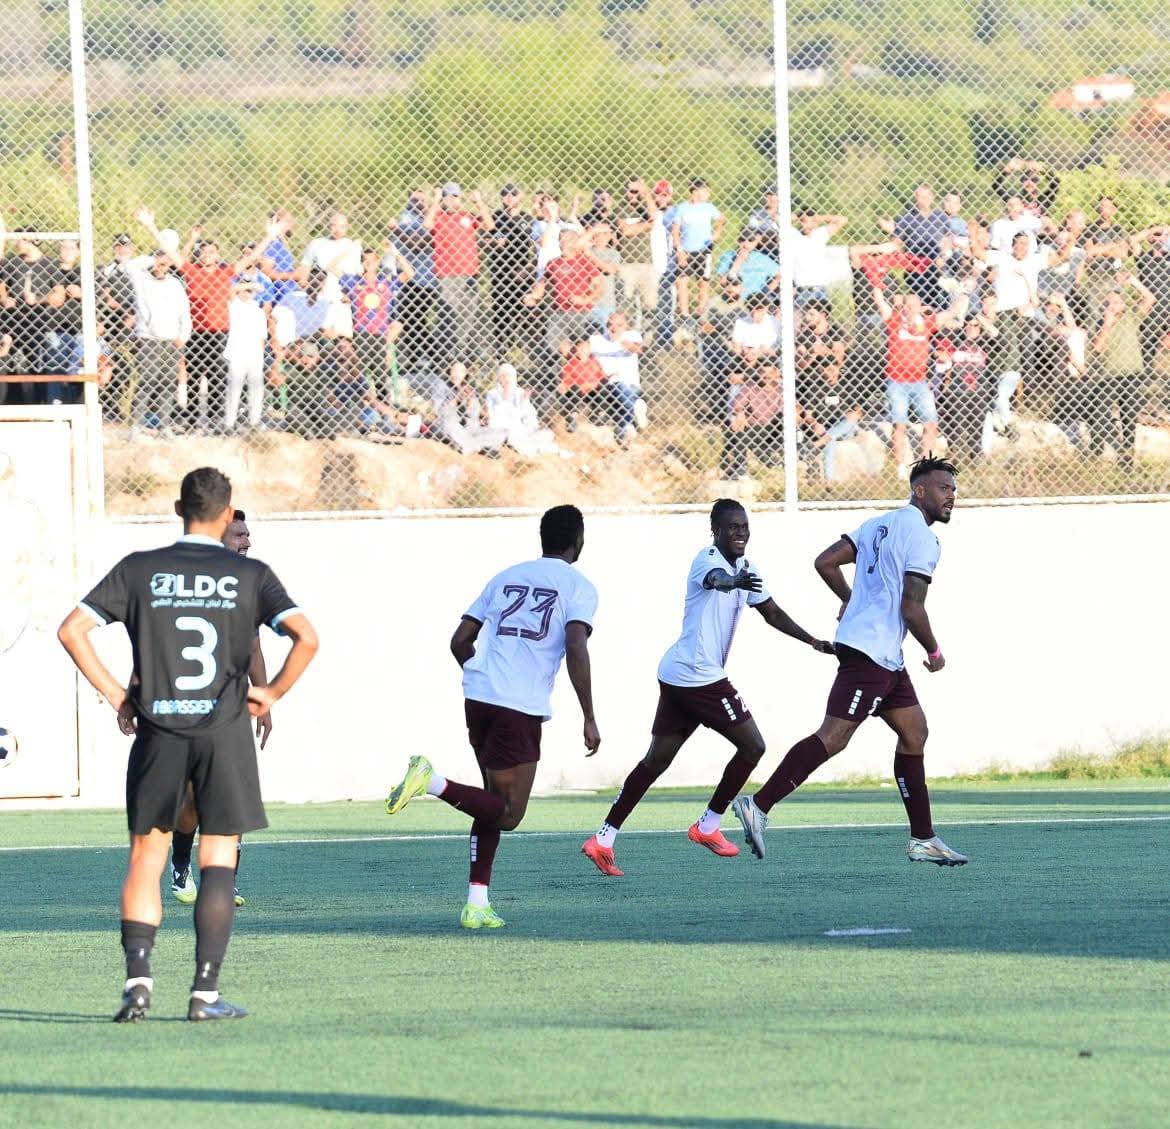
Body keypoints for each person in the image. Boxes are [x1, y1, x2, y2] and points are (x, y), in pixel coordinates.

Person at [57, 467, 318, 1021]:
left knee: (145, 856)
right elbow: (307, 637)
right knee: (218, 859)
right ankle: (204, 994)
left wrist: (117, 696)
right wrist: (270, 692)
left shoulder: (139, 568)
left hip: (160, 732)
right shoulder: (249, 574)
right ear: (227, 514)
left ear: (179, 509)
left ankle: (138, 983)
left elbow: (71, 630)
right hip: (224, 734)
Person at [731, 456, 968, 868]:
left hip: (883, 656)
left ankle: (923, 838)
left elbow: (825, 561)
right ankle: (759, 805)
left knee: (914, 732)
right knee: (834, 736)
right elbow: (912, 608)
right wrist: (934, 650)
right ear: (919, 490)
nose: (952, 496)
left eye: (953, 489)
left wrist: (851, 600)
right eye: (943, 488)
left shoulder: (878, 524)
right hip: (869, 654)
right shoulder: (924, 539)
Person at [581, 500, 834, 877]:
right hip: (699, 677)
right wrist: (733, 582)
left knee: (656, 761)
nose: (740, 532)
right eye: (732, 527)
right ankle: (708, 825)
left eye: (744, 526)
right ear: (715, 530)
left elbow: (772, 613)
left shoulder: (748, 569)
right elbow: (716, 580)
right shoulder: (707, 559)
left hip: (678, 674)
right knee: (753, 746)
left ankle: (603, 839)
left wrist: (813, 641)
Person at [384, 505, 600, 928]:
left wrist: (482, 677)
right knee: (509, 813)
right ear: (578, 541)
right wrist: (589, 715)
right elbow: (576, 646)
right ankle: (431, 781)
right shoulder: (580, 587)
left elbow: (459, 641)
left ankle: (477, 902)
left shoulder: (505, 577)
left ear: (543, 538)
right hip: (517, 704)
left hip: (479, 696)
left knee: (490, 803)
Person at [120, 509, 273, 909]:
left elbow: (254, 647)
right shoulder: (180, 582)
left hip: (230, 711)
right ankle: (181, 861)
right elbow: (155, 644)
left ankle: (223, 883)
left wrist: (264, 699)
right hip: (182, 709)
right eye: (239, 534)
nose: (247, 542)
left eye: (248, 535)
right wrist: (133, 694)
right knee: (189, 800)